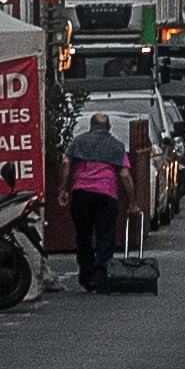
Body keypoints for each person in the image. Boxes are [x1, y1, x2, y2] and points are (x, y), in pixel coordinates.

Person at [62, 109, 130, 292]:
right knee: (105, 236)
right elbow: (124, 174)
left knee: (83, 235)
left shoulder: (79, 141)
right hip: (106, 195)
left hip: (81, 193)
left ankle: (85, 274)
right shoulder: (117, 146)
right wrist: (133, 201)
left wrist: (64, 188)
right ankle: (100, 275)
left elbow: (67, 163)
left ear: (91, 126)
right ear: (109, 127)